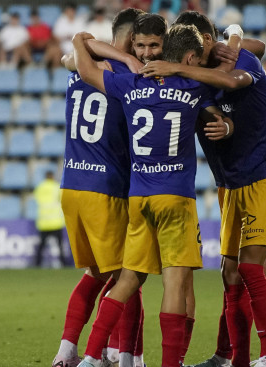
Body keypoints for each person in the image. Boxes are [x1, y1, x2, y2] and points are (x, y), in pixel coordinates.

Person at [142, 14, 266, 367]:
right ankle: (237, 358)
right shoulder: (201, 75)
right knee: (231, 273)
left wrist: (228, 40)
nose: (191, 59)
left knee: (251, 270)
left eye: (194, 53)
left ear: (204, 40)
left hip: (263, 175)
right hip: (228, 183)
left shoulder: (239, 59)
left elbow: (234, 80)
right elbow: (212, 111)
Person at [73, 23, 233, 367]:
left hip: (138, 198)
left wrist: (77, 40)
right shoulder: (195, 85)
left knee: (129, 278)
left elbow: (85, 69)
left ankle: (90, 357)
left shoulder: (130, 83)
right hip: (176, 199)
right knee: (175, 284)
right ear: (190, 57)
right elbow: (227, 75)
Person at [51, 8, 145, 367]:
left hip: (72, 182)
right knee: (129, 274)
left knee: (95, 273)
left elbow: (76, 48)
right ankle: (124, 357)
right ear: (132, 40)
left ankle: (67, 351)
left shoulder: (79, 67)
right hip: (104, 187)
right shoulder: (125, 75)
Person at [34, 170, 66, 268]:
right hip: (56, 222)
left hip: (43, 222)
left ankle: (37, 264)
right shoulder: (56, 187)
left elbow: (37, 199)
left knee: (41, 246)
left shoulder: (40, 187)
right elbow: (62, 199)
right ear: (52, 176)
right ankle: (63, 264)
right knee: (60, 246)